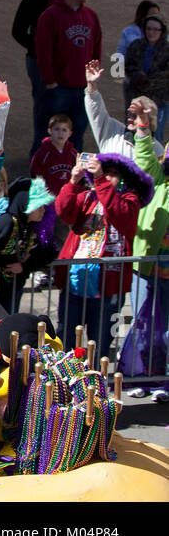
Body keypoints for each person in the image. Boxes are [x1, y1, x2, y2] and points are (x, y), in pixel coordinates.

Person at [52, 151, 152, 361]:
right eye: (104, 172)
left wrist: (99, 179)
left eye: (112, 174)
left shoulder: (130, 200)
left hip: (108, 285)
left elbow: (120, 214)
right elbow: (64, 211)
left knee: (100, 342)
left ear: (123, 178)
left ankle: (96, 378)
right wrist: (73, 181)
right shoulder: (88, 197)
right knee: (66, 337)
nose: (106, 177)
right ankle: (64, 376)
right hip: (75, 280)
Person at [122, 109, 169, 400]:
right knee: (143, 324)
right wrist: (142, 125)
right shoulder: (157, 179)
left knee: (167, 331)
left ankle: (163, 382)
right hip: (147, 267)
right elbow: (143, 157)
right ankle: (141, 377)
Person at [35, 0, 101, 153]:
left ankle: (73, 168)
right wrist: (50, 81)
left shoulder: (91, 16)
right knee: (49, 135)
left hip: (83, 88)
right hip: (59, 88)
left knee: (77, 135)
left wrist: (92, 79)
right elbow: (43, 51)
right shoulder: (50, 16)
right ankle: (42, 169)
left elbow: (97, 47)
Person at [0, 177, 57, 313]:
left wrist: (24, 266)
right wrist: (12, 261)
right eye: (39, 207)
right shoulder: (6, 223)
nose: (43, 210)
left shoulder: (32, 227)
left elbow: (50, 252)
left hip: (13, 289)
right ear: (26, 206)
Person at [11, 0, 63, 154]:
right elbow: (18, 31)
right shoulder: (32, 0)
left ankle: (58, 148)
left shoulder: (63, 0)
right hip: (37, 61)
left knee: (59, 105)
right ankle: (39, 150)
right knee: (42, 105)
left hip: (60, 62)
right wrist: (38, 48)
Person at [84, 59, 164, 160]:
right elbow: (95, 110)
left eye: (135, 115)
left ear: (149, 119)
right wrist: (91, 85)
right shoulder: (112, 131)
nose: (130, 118)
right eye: (129, 113)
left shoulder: (157, 150)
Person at [124, 13, 169, 142]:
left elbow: (166, 76)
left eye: (155, 29)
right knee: (131, 132)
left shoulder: (167, 50)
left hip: (158, 101)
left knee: (155, 135)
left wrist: (147, 82)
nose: (151, 32)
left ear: (162, 31)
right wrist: (137, 76)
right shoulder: (136, 45)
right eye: (148, 28)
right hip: (135, 99)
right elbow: (127, 65)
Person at [29, 114, 78, 196]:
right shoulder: (42, 154)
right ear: (50, 131)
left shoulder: (74, 154)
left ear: (70, 133)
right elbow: (36, 176)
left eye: (64, 130)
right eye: (57, 129)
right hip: (48, 197)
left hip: (68, 196)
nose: (60, 133)